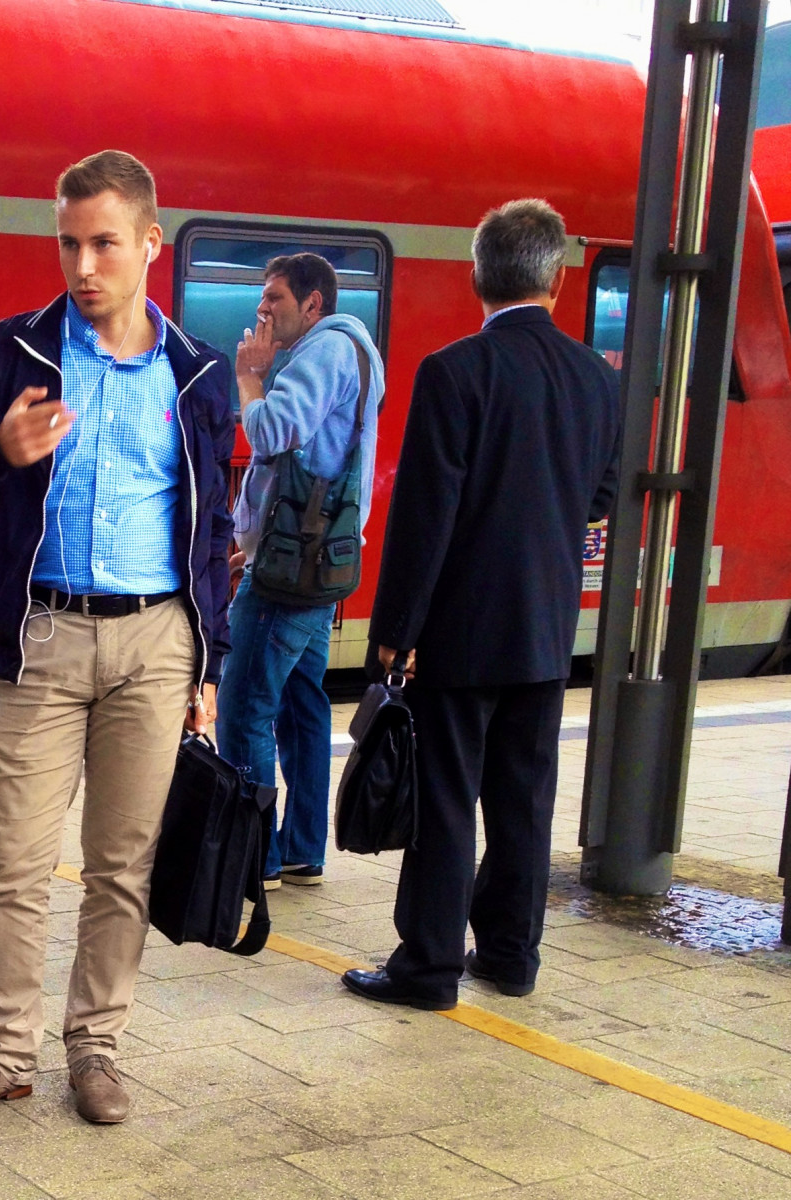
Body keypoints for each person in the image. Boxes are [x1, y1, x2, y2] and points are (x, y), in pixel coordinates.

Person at [0, 150, 234, 1124]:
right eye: (68, 243)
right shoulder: (12, 354)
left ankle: (95, 1049)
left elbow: (208, 528)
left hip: (156, 641)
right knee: (10, 862)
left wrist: (205, 661)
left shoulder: (199, 375)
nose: (83, 265)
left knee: (120, 865)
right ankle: (1, 1056)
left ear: (147, 247)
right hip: (43, 634)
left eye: (102, 243)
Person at [343, 198, 621, 1011]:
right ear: (558, 281)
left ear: (477, 277)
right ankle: (510, 956)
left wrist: (395, 632)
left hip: (461, 634)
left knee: (445, 798)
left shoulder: (454, 371)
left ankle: (427, 968)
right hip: (546, 629)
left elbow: (425, 516)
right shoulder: (594, 383)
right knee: (524, 801)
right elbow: (599, 500)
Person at [219, 253, 384, 891]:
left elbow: (274, 433)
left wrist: (250, 379)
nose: (263, 310)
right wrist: (254, 539)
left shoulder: (324, 352)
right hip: (313, 561)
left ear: (313, 304)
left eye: (275, 298)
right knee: (301, 705)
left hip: (291, 573)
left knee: (243, 706)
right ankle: (302, 850)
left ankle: (252, 857)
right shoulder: (358, 352)